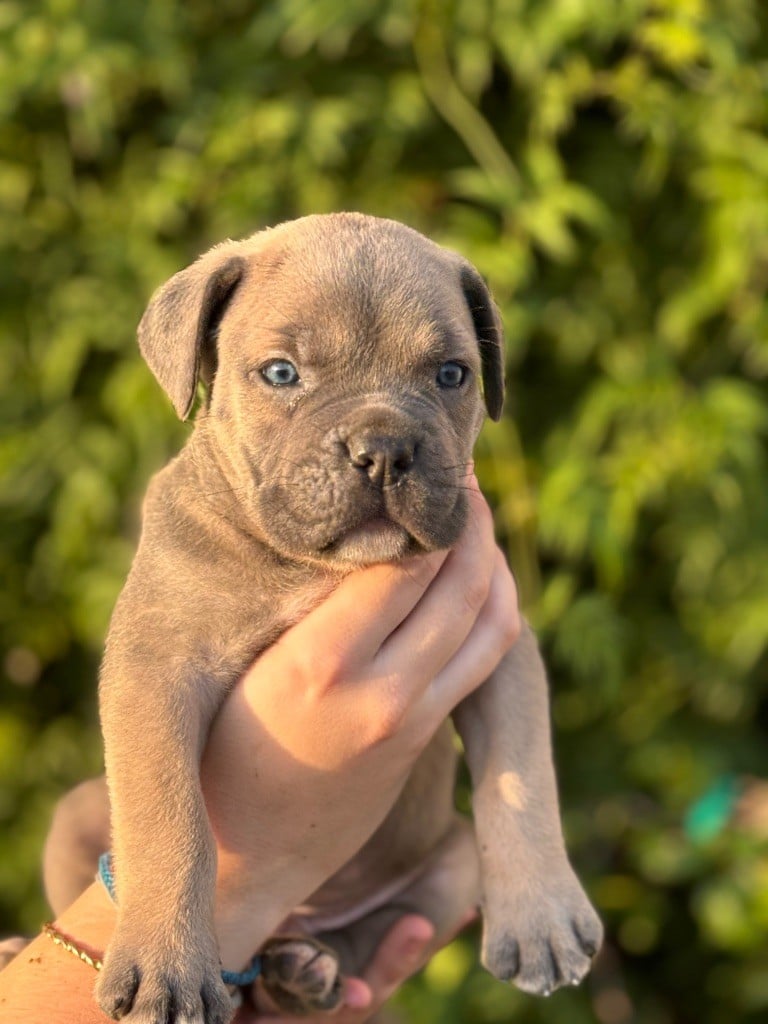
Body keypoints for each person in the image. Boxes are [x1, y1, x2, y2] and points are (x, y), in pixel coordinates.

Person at [0, 476, 520, 1023]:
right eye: (281, 380)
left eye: (448, 380)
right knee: (79, 824)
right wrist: (225, 883)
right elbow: (150, 673)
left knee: (457, 870)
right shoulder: (208, 514)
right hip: (171, 918)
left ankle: (304, 975)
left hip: (373, 895)